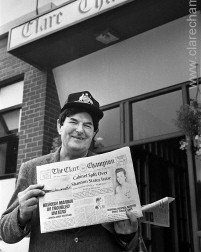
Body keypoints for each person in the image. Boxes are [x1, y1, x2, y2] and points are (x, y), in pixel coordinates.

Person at [0, 91, 140, 252]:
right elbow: (5, 233)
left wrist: (128, 235)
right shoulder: (31, 169)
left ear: (94, 133)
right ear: (60, 126)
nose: (80, 130)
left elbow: (133, 242)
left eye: (88, 125)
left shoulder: (113, 170)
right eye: (73, 122)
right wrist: (20, 214)